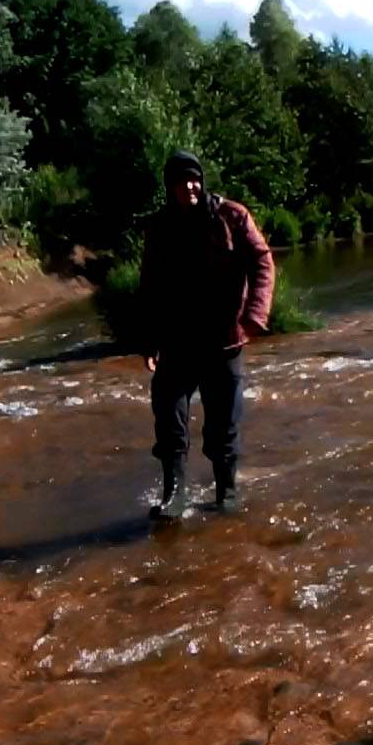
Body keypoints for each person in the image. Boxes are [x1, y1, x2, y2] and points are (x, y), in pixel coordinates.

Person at [137, 151, 275, 520]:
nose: (189, 186)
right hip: (177, 341)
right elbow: (150, 286)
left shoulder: (232, 216)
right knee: (169, 416)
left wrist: (255, 314)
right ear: (169, 187)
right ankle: (175, 495)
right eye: (181, 181)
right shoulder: (159, 227)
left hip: (224, 339)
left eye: (194, 178)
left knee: (223, 424)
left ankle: (226, 492)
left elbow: (262, 262)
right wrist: (148, 340)